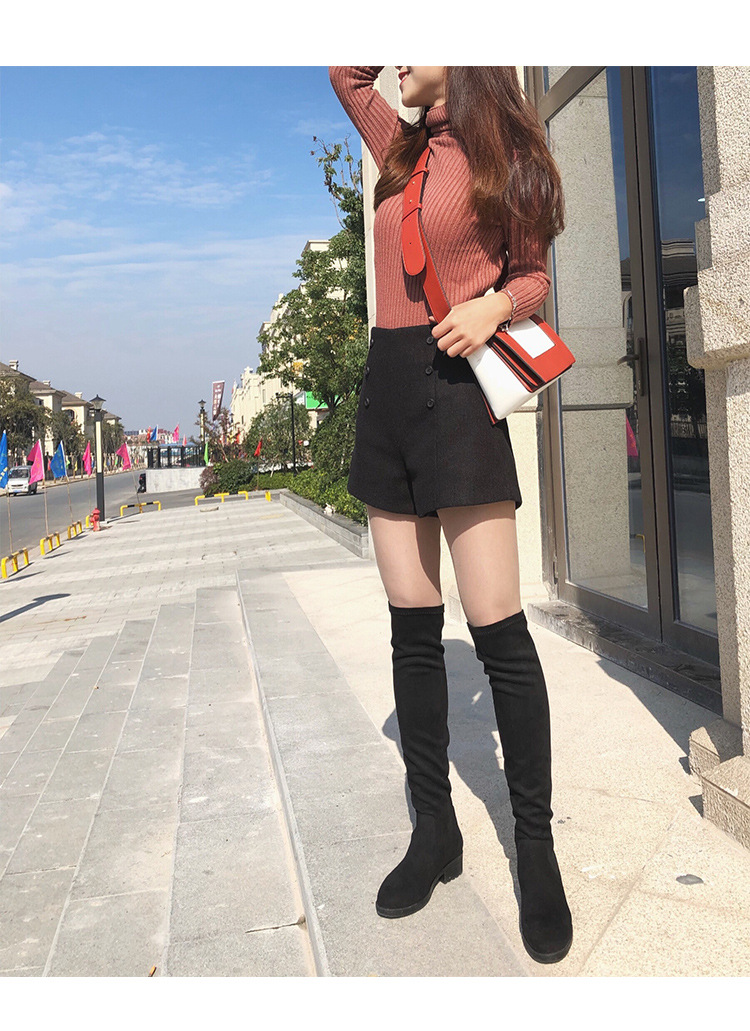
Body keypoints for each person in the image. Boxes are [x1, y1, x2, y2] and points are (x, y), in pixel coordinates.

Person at [329, 66, 572, 965]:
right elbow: (342, 68)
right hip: (388, 389)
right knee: (411, 627)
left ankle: (536, 850)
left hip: (460, 394)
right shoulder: (397, 146)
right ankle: (435, 830)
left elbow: (534, 274)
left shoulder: (498, 150)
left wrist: (492, 304)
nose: (398, 54)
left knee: (498, 630)